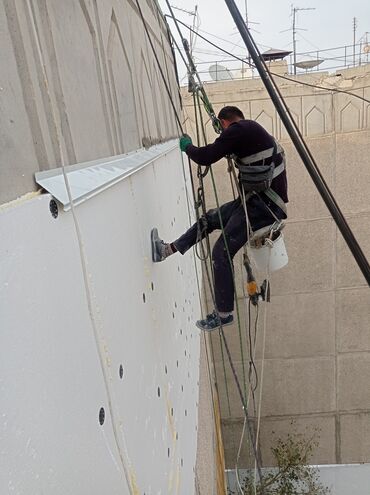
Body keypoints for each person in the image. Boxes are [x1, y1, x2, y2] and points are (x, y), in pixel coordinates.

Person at [151, 106, 288, 331]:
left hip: (263, 206)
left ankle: (224, 314)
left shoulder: (239, 130)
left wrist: (188, 148)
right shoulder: (250, 132)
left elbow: (206, 157)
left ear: (225, 122)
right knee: (209, 220)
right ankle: (168, 250)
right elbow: (228, 147)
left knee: (221, 250)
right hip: (255, 202)